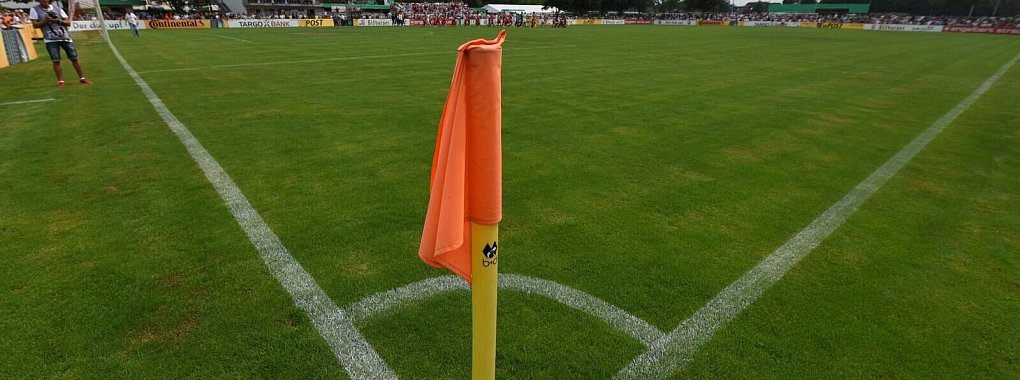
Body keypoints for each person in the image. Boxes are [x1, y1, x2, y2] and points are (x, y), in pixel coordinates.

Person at [30, 0, 92, 87]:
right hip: (50, 39)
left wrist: (57, 21)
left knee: (74, 58)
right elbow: (35, 25)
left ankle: (82, 78)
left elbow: (68, 22)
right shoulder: (34, 9)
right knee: (56, 60)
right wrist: (45, 21)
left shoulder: (57, 9)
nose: (44, 0)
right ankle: (61, 81)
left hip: (65, 37)